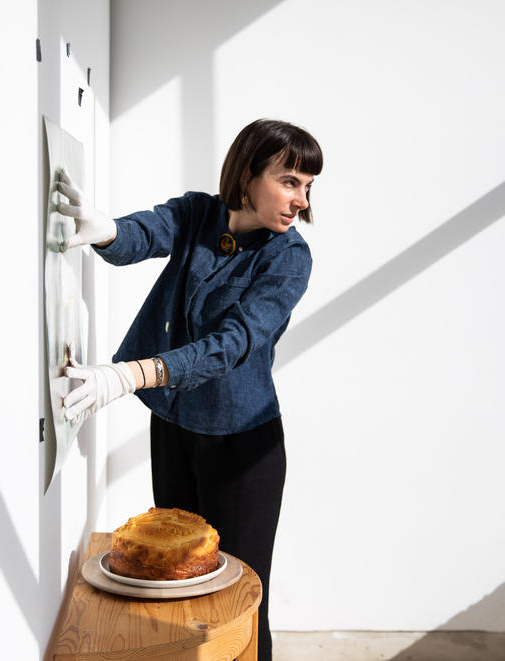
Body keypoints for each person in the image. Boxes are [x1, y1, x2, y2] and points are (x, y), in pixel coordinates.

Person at [58, 118, 322, 661]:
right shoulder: (196, 213)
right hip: (175, 429)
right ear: (250, 174)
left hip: (244, 448)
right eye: (290, 180)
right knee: (180, 588)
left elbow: (231, 345)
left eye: (308, 186)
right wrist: (103, 227)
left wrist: (132, 373)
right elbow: (142, 235)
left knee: (242, 602)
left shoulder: (288, 258)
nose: (301, 200)